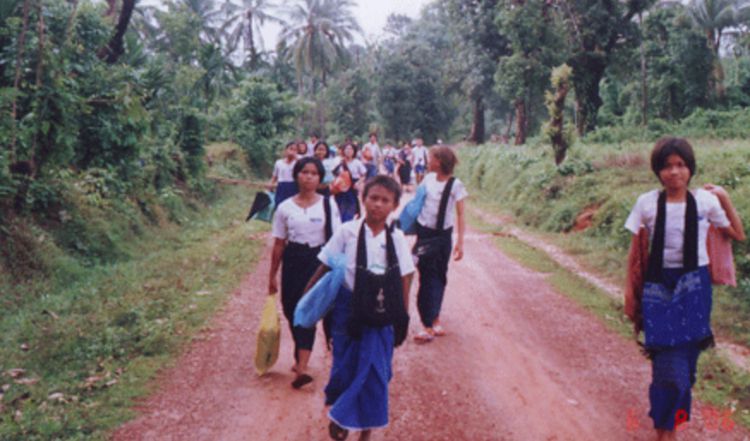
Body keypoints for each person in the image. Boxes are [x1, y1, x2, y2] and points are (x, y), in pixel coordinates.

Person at [623, 137, 745, 441]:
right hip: (658, 289)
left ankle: (670, 426)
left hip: (695, 291)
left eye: (681, 165)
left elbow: (737, 233)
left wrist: (724, 196)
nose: (674, 172)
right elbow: (636, 254)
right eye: (667, 166)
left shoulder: (705, 202)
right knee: (667, 367)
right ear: (658, 171)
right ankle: (664, 432)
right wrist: (631, 295)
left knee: (686, 368)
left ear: (690, 169)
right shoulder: (647, 203)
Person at [304, 175, 415, 441]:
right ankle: (342, 414)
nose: (378, 204)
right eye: (373, 198)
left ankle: (366, 429)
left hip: (381, 312)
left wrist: (402, 314)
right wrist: (308, 295)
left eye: (385, 200)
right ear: (363, 199)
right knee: (346, 365)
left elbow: (405, 276)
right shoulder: (347, 232)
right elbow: (327, 264)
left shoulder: (396, 238)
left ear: (394, 206)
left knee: (375, 370)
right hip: (348, 310)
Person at [269, 157, 342, 389]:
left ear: (320, 178)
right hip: (293, 259)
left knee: (309, 308)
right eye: (304, 172)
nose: (308, 177)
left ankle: (302, 367)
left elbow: (338, 240)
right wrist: (272, 276)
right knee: (291, 308)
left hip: (319, 261)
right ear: (296, 175)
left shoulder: (328, 205)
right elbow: (279, 243)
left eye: (313, 173)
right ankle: (299, 354)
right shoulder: (285, 207)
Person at [413, 146, 467, 343]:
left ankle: (434, 317)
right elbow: (416, 204)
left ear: (440, 161)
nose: (428, 161)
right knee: (426, 277)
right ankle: (426, 323)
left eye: (431, 158)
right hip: (424, 233)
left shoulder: (455, 185)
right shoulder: (427, 180)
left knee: (439, 276)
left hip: (443, 236)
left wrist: (460, 242)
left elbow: (461, 214)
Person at [333, 143, 367, 222]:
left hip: (352, 187)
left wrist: (358, 182)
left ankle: (347, 221)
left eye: (351, 149)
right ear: (343, 150)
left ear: (354, 151)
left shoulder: (357, 162)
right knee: (340, 206)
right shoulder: (338, 161)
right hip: (341, 187)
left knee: (351, 206)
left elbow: (364, 174)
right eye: (347, 149)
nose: (348, 151)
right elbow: (333, 173)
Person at [269, 142, 299, 208]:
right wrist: (270, 185)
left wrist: (297, 159)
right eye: (291, 149)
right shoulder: (279, 163)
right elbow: (274, 176)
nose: (292, 151)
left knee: (292, 206)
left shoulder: (297, 163)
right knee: (280, 205)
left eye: (295, 150)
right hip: (281, 186)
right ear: (286, 150)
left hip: (293, 186)